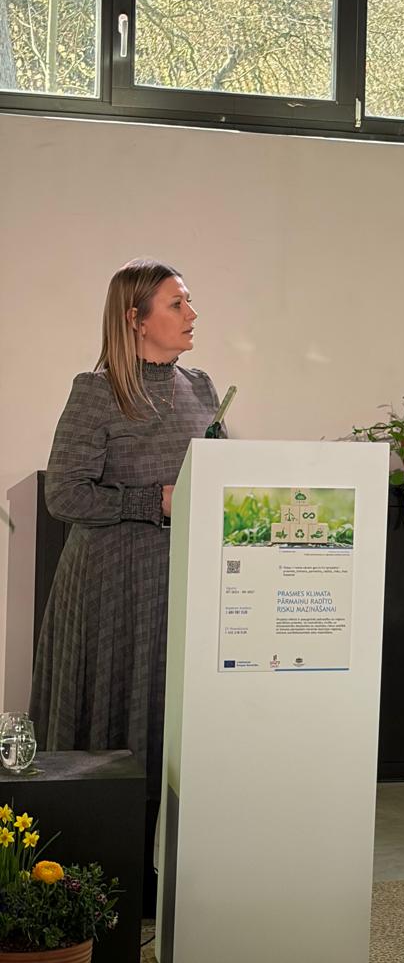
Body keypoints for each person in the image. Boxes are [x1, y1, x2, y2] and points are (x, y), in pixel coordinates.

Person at [30, 259, 225, 912]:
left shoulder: (201, 388)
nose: (192, 314)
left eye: (189, 302)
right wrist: (152, 501)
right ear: (135, 319)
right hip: (109, 592)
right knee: (111, 723)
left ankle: (159, 890)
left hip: (180, 589)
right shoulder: (97, 390)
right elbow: (64, 494)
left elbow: (220, 480)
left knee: (168, 724)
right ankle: (86, 883)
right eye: (177, 304)